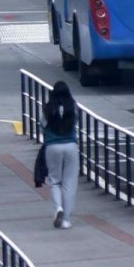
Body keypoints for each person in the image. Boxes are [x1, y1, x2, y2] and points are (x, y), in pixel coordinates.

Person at [43, 81, 79, 229]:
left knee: (54, 181)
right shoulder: (73, 106)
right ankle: (66, 220)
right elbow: (76, 122)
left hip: (52, 146)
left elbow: (42, 124)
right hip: (71, 146)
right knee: (70, 183)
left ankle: (58, 207)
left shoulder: (47, 108)